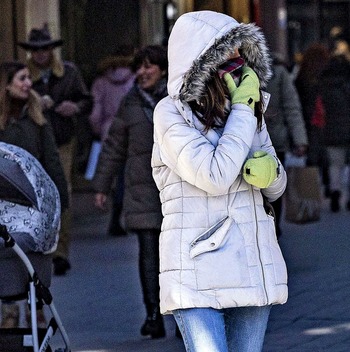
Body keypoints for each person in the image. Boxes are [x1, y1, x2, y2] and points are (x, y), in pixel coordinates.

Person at [151, 11, 288, 352]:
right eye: (227, 54)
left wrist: (272, 173)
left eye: (242, 54)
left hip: (249, 260)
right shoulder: (171, 114)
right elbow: (214, 176)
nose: (238, 63)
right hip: (196, 266)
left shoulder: (245, 108)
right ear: (201, 61)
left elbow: (276, 187)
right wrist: (244, 109)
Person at [92, 45, 168, 338]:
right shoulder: (130, 103)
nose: (142, 72)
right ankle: (153, 314)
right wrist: (101, 185)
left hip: (176, 190)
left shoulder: (178, 98)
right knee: (149, 254)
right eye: (139, 66)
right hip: (142, 188)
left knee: (176, 257)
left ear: (162, 68)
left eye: (149, 66)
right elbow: (113, 146)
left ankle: (182, 313)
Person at [18, 23, 92, 275]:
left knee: (62, 191)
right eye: (36, 50)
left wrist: (75, 107)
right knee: (34, 194)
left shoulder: (68, 72)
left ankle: (60, 251)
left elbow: (86, 100)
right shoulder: (23, 75)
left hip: (62, 139)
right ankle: (40, 245)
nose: (40, 54)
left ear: (51, 49)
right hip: (33, 140)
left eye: (45, 49)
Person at [0, 61, 68, 328]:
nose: (28, 83)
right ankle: (9, 310)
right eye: (22, 78)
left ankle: (35, 306)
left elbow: (51, 159)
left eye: (29, 78)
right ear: (6, 85)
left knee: (33, 252)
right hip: (5, 200)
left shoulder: (37, 119)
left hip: (34, 200)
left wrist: (60, 196)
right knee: (6, 251)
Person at [89, 54, 135, 236]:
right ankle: (122, 216)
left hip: (108, 130)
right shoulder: (133, 80)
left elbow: (95, 113)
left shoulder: (101, 82)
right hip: (130, 131)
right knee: (125, 175)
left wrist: (97, 130)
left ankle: (109, 207)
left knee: (110, 172)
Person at [264, 54, 308, 236]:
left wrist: (300, 139)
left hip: (275, 141)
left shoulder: (278, 73)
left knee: (274, 189)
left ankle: (273, 228)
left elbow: (291, 107)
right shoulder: (236, 72)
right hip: (253, 141)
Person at [295, 43, 331, 196]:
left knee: (312, 155)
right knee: (325, 154)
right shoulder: (326, 75)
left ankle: (311, 188)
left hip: (308, 119)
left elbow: (297, 100)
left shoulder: (302, 76)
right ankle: (328, 185)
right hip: (324, 119)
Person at [318, 43, 350, 211]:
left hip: (330, 130)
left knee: (334, 165)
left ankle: (335, 191)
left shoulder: (324, 86)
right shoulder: (347, 85)